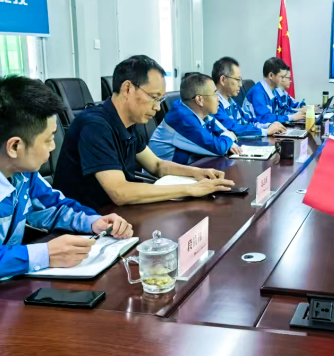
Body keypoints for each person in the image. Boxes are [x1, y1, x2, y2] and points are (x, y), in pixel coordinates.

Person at [53, 55, 234, 209]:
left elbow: (157, 165)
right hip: (86, 222)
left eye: (160, 99)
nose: (157, 107)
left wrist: (196, 173)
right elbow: (120, 192)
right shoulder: (94, 126)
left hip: (116, 216)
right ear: (128, 89)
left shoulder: (128, 123)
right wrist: (190, 189)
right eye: (154, 98)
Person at [0, 76, 133, 278]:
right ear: (15, 146)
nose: (53, 147)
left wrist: (94, 222)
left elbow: (55, 207)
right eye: (48, 139)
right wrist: (45, 254)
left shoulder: (24, 175)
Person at [149, 73, 243, 164]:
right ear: (199, 100)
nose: (218, 98)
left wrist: (229, 143)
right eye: (215, 94)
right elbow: (219, 148)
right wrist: (228, 139)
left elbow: (223, 131)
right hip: (163, 173)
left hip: (188, 167)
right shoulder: (183, 119)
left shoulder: (200, 112)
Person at [244, 57, 306, 124]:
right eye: (282, 77)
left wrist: (300, 113)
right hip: (253, 128)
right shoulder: (258, 93)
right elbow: (265, 118)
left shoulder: (275, 90)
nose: (283, 80)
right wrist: (291, 117)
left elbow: (281, 111)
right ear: (271, 75)